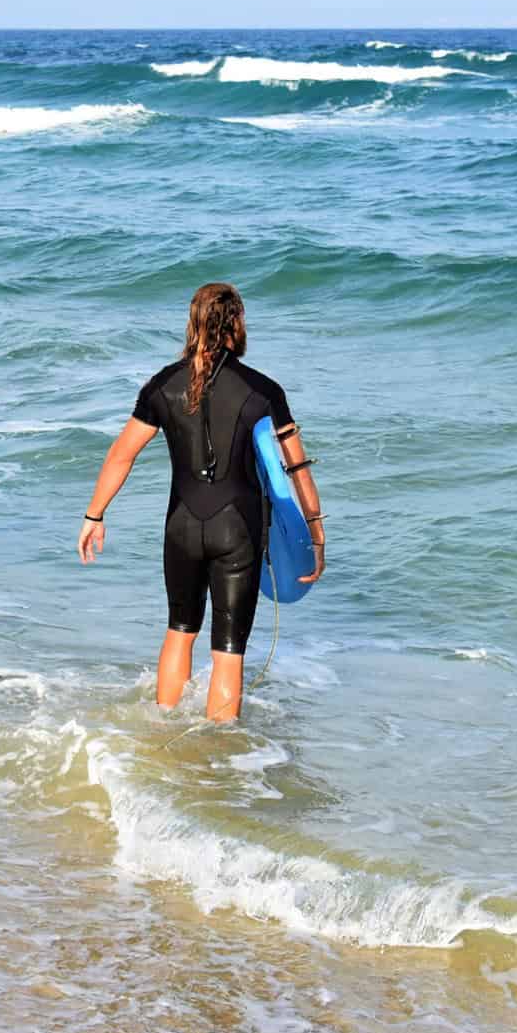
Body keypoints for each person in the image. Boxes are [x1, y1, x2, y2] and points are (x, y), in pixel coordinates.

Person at [76, 283, 324, 721]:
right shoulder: (264, 391)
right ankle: (224, 763)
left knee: (179, 631)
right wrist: (315, 533)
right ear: (238, 324)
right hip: (238, 533)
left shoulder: (161, 386)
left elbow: (122, 454)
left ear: (193, 324)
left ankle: (160, 730)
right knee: (228, 651)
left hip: (182, 529)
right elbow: (296, 469)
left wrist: (94, 515)